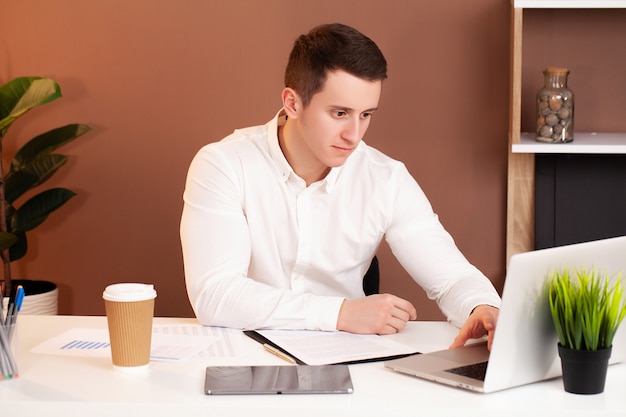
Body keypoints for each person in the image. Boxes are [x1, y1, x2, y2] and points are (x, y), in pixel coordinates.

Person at [180, 23, 501, 350]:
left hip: (348, 360)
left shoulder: (385, 178)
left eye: (366, 115)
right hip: (243, 356)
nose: (355, 134)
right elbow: (215, 294)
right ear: (293, 103)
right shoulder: (224, 165)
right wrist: (339, 313)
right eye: (339, 113)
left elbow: (452, 279)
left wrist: (483, 307)